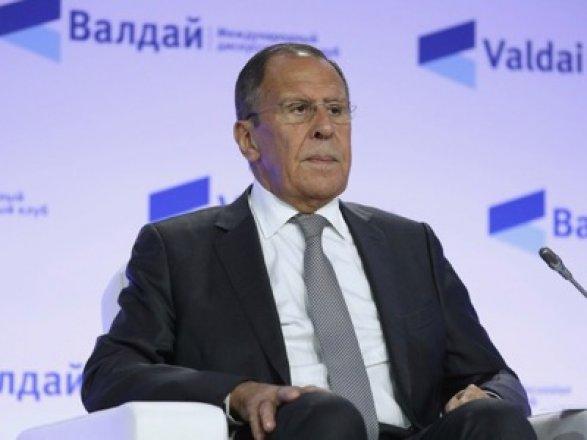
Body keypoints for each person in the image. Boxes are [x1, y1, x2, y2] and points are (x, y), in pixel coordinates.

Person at [82, 43, 536, 440]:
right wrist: (239, 393)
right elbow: (110, 373)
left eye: (336, 110)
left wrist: (490, 395)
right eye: (299, 109)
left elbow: (491, 373)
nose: (325, 128)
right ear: (247, 139)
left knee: (494, 420)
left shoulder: (410, 243)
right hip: (298, 431)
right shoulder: (180, 249)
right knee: (327, 416)